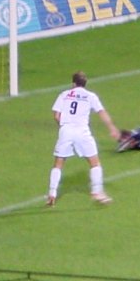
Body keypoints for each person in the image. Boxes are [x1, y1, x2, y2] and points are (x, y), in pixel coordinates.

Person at [46, 71, 120, 207]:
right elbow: (101, 112)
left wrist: (64, 127)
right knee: (94, 163)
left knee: (58, 164)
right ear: (85, 84)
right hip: (82, 131)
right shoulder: (90, 96)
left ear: (73, 83)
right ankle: (97, 192)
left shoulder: (64, 94)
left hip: (66, 130)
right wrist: (112, 128)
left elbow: (56, 115)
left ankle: (52, 194)